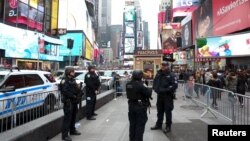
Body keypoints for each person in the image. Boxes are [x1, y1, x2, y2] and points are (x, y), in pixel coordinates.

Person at [151, 61, 178, 133]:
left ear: (167, 66)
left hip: (168, 97)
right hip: (160, 96)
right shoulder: (159, 73)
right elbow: (155, 82)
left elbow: (174, 85)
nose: (163, 66)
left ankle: (168, 126)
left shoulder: (171, 74)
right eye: (162, 65)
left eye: (165, 65)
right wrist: (155, 88)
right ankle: (158, 124)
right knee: (159, 111)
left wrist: (165, 90)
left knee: (168, 112)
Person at [126, 70, 152, 141]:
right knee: (140, 125)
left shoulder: (128, 84)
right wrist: (147, 86)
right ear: (140, 76)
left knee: (132, 124)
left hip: (131, 106)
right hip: (140, 107)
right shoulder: (141, 85)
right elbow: (148, 93)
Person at [60, 67, 81, 141]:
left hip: (74, 102)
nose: (74, 73)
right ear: (69, 72)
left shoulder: (73, 80)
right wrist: (73, 96)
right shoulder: (64, 81)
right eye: (72, 72)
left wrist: (79, 93)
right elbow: (65, 91)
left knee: (73, 117)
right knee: (67, 119)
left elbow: (76, 89)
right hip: (68, 102)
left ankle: (72, 130)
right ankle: (65, 135)